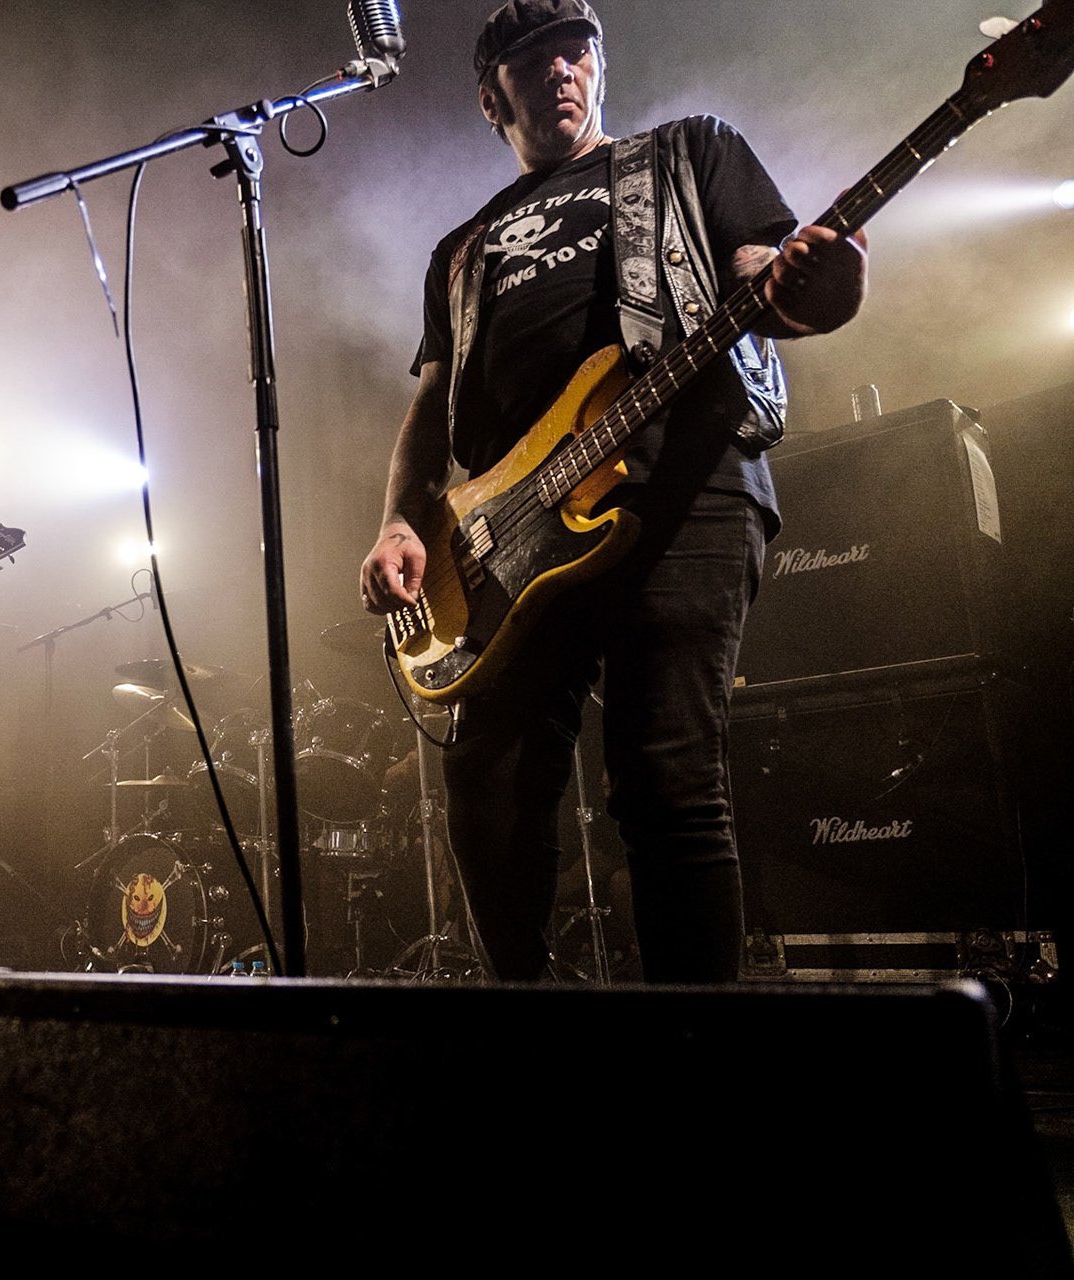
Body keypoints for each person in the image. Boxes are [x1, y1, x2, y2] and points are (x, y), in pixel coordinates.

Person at [358, 0, 867, 983]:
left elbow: (772, 282)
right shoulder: (460, 251)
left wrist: (823, 286)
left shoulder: (688, 153)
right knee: (487, 781)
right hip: (506, 531)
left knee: (666, 776)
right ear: (487, 96)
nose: (558, 68)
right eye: (529, 58)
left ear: (596, 63)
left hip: (685, 488)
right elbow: (429, 412)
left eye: (573, 49)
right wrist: (399, 520)